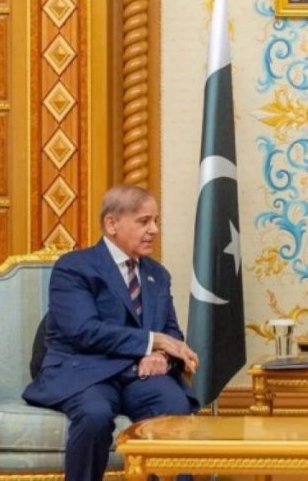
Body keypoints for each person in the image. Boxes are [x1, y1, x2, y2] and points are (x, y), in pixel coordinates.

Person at [23, 184, 200, 481]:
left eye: (156, 221)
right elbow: (84, 331)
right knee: (94, 415)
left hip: (139, 375)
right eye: (144, 221)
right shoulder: (74, 268)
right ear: (112, 223)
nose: (154, 230)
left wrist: (160, 355)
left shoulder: (157, 275)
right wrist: (152, 341)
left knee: (175, 406)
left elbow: (171, 333)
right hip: (87, 372)